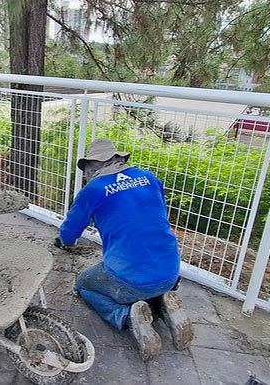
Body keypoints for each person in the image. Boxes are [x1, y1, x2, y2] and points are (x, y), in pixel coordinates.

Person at [56, 139, 193, 361]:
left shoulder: (93, 190)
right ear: (118, 159)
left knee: (84, 284)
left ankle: (127, 316)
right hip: (171, 272)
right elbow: (157, 212)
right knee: (149, 281)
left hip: (130, 280)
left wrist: (66, 244)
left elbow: (69, 233)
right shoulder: (148, 177)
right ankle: (163, 305)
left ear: (91, 168)